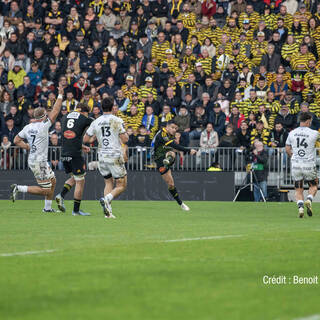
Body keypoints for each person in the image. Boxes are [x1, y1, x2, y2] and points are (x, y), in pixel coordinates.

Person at [10, 86, 64, 212]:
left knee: (53, 180)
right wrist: (60, 95)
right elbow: (55, 111)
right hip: (38, 161)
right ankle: (18, 188)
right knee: (46, 189)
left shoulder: (28, 127)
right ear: (44, 116)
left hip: (37, 159)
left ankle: (47, 208)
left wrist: (27, 146)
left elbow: (16, 140)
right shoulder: (44, 126)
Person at [83, 97, 128, 219]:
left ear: (101, 107)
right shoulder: (117, 120)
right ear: (113, 106)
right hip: (114, 155)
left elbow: (86, 139)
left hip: (102, 156)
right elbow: (125, 139)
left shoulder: (96, 121)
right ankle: (106, 199)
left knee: (108, 182)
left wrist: (97, 136)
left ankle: (108, 213)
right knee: (122, 185)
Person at [55, 103, 93, 216]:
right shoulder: (84, 118)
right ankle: (76, 211)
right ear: (84, 111)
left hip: (64, 153)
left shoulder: (65, 117)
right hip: (75, 154)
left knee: (74, 178)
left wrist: (81, 146)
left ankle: (60, 196)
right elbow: (94, 125)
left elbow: (69, 136)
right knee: (80, 181)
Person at [151, 120, 197, 211]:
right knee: (172, 153)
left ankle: (181, 203)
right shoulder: (163, 134)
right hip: (158, 158)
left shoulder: (170, 135)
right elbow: (173, 145)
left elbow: (174, 146)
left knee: (171, 184)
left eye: (175, 128)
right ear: (167, 127)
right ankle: (167, 160)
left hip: (165, 155)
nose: (174, 130)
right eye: (172, 127)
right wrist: (188, 150)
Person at [285, 112, 319, 218]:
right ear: (308, 121)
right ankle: (309, 199)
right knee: (313, 185)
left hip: (296, 164)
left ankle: (300, 208)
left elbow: (287, 149)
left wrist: (294, 157)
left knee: (298, 189)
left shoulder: (292, 133)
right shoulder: (314, 133)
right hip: (308, 163)